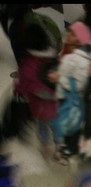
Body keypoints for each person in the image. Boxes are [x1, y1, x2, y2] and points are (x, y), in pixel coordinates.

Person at [47, 21, 91, 159]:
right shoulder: (69, 50)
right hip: (65, 95)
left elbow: (79, 83)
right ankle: (67, 145)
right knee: (68, 121)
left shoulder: (81, 60)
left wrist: (59, 78)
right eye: (69, 32)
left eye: (73, 34)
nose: (68, 35)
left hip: (71, 97)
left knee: (72, 122)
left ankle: (70, 148)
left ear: (80, 40)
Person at [14, 22, 59, 162]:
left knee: (42, 127)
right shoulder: (53, 56)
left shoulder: (27, 64)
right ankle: (58, 150)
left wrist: (18, 85)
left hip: (39, 107)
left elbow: (22, 86)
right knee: (57, 127)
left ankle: (45, 148)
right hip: (56, 104)